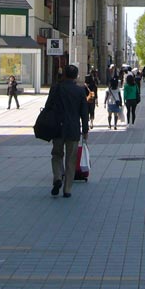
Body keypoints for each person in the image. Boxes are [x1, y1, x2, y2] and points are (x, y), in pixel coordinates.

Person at [43, 64, 89, 198]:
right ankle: (67, 189)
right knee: (71, 159)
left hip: (57, 127)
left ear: (65, 75)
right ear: (76, 76)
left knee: (57, 154)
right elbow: (84, 113)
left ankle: (58, 177)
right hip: (73, 129)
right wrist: (85, 130)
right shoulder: (80, 91)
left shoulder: (56, 88)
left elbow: (48, 107)